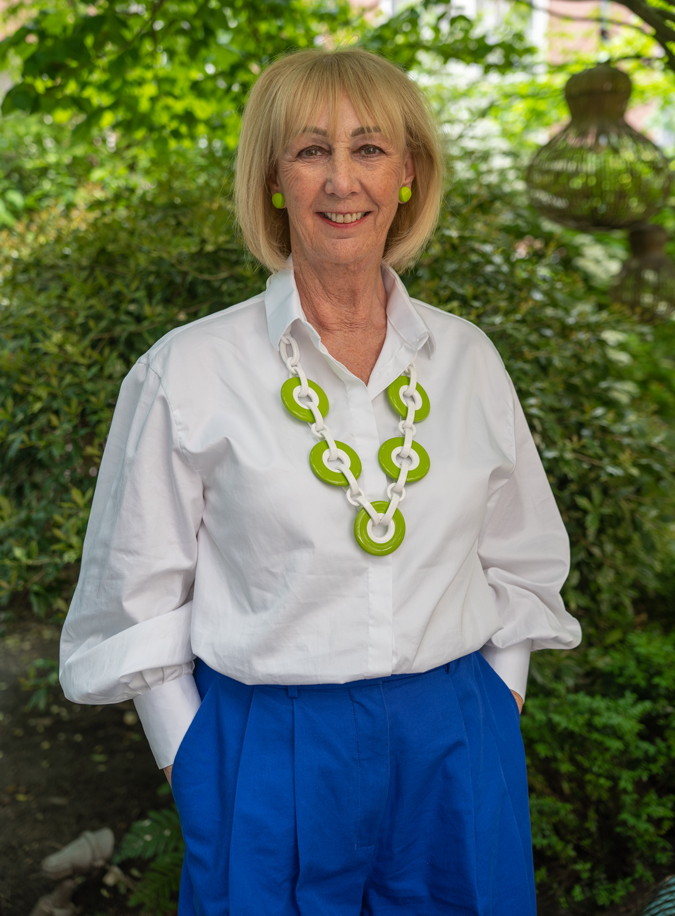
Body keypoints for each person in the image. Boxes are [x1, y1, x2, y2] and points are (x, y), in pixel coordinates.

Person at [60, 48, 581, 916]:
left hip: (454, 734)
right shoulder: (187, 371)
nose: (343, 181)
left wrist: (500, 690)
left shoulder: (466, 359)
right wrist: (193, 756)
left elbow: (521, 553)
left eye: (369, 149)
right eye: (311, 151)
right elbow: (132, 596)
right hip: (264, 746)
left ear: (409, 172)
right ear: (273, 178)